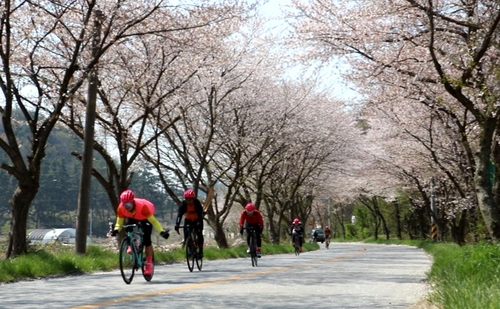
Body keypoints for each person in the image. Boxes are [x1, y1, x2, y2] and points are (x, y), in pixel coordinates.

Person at [110, 189, 170, 276]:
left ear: (132, 202)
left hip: (144, 216)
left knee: (146, 240)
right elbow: (119, 223)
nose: (126, 206)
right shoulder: (121, 208)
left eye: (128, 204)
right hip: (132, 216)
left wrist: (161, 231)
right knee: (128, 227)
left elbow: (154, 221)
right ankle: (132, 244)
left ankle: (149, 264)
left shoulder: (142, 207)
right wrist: (116, 231)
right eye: (124, 204)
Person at [174, 189, 205, 258]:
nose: (188, 201)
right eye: (187, 200)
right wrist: (177, 224)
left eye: (190, 200)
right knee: (186, 234)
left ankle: (200, 251)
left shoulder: (197, 203)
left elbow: (200, 214)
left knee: (199, 234)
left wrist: (199, 223)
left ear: (193, 199)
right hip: (188, 220)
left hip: (197, 220)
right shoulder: (183, 205)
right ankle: (190, 249)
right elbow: (179, 215)